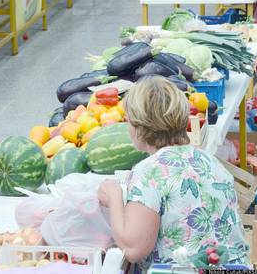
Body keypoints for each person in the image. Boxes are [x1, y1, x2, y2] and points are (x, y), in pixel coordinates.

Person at [97, 76, 249, 271]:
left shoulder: (149, 171)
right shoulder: (208, 160)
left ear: (139, 127)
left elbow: (133, 249)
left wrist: (114, 198)